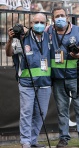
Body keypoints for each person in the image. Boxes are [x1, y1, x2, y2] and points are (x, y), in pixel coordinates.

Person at [47, 6, 79, 148]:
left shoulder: (78, 30)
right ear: (53, 19)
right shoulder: (48, 30)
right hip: (58, 78)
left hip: (75, 77)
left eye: (62, 15)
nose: (59, 18)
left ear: (67, 17)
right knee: (62, 110)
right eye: (56, 16)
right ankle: (63, 138)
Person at [5, 13, 51, 148]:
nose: (39, 24)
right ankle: (25, 142)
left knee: (41, 113)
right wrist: (10, 39)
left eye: (42, 22)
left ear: (46, 24)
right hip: (26, 82)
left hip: (45, 83)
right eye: (36, 22)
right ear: (31, 24)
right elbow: (9, 53)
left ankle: (33, 140)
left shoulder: (49, 38)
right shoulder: (22, 39)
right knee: (27, 112)